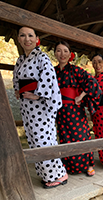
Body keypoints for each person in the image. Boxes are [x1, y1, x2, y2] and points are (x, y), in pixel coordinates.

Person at [13, 27, 67, 189]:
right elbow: (17, 79)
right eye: (23, 35)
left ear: (37, 38)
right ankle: (49, 173)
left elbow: (49, 78)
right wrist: (18, 90)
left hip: (41, 107)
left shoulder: (42, 57)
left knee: (44, 140)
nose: (26, 39)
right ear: (18, 38)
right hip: (27, 106)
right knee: (33, 139)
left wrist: (38, 94)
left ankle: (57, 175)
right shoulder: (20, 60)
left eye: (30, 35)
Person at [54, 41, 101, 176]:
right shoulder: (53, 71)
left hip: (74, 110)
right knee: (64, 138)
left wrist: (81, 96)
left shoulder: (76, 70)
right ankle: (69, 166)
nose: (62, 54)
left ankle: (88, 165)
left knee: (80, 136)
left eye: (65, 51)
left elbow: (92, 82)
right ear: (55, 54)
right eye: (59, 50)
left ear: (70, 55)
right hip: (60, 110)